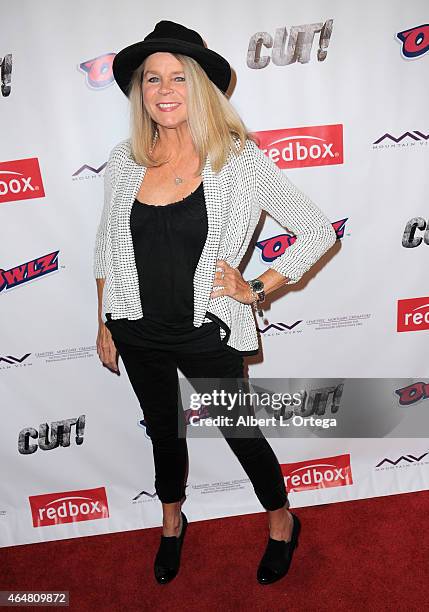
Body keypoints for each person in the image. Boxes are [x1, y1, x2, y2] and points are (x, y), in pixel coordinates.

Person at [94, 20, 337, 586]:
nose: (164, 89)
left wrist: (256, 290)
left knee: (240, 433)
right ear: (141, 93)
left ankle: (281, 522)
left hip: (208, 331)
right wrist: (103, 320)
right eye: (152, 79)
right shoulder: (123, 161)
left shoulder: (237, 161)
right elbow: (105, 247)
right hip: (136, 329)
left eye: (178, 77)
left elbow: (318, 228)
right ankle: (172, 521)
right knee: (163, 430)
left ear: (200, 86)